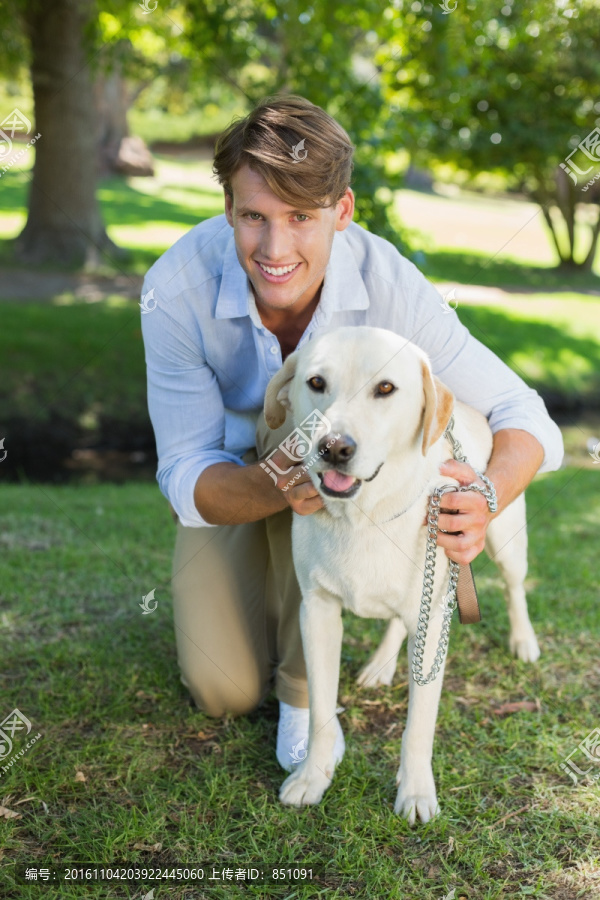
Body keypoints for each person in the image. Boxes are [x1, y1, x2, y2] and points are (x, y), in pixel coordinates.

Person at [140, 95, 564, 771]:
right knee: (223, 689)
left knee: (323, 467)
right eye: (254, 216)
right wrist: (276, 482)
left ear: (342, 212)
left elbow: (525, 415)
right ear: (228, 209)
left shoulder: (392, 287)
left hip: (346, 467)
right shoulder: (175, 290)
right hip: (240, 475)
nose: (274, 249)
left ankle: (307, 695)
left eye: (301, 218)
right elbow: (185, 476)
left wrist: (486, 494)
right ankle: (284, 638)